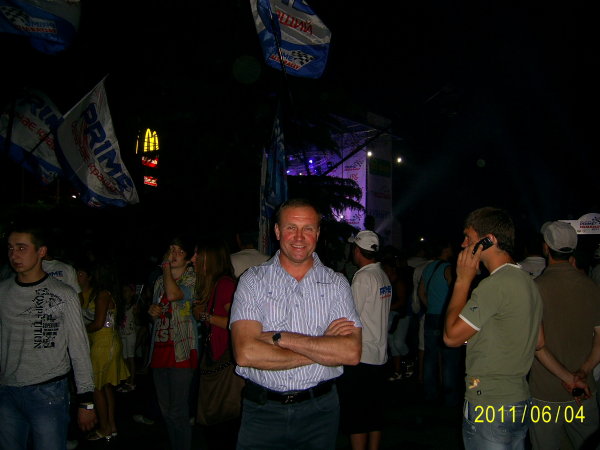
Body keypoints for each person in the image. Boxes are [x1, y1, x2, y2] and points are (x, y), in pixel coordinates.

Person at [230, 198, 362, 450]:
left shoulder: (336, 284)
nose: (299, 237)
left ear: (318, 233)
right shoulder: (253, 281)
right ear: (277, 231)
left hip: (320, 412)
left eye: (308, 228)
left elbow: (351, 353)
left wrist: (282, 338)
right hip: (262, 412)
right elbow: (246, 353)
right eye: (291, 227)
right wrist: (322, 348)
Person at [443, 206, 543, 449]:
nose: (463, 244)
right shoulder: (527, 280)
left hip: (489, 402)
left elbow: (451, 337)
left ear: (488, 240)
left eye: (468, 237)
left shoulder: (495, 285)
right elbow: (539, 341)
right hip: (518, 399)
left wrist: (462, 280)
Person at [0, 221, 97, 450]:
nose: (14, 255)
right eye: (10, 248)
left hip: (48, 393)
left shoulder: (63, 294)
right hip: (7, 390)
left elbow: (79, 349)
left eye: (22, 248)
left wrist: (87, 401)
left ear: (41, 251)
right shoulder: (2, 291)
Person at [528, 221, 600, 449]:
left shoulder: (535, 289)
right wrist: (582, 373)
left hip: (546, 394)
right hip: (583, 391)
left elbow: (537, 345)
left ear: (546, 248)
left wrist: (568, 378)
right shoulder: (592, 288)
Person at [338, 230, 391, 450]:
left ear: (358, 250)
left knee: (357, 414)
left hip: (362, 356)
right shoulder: (382, 275)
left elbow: (351, 318)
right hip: (380, 354)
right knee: (375, 412)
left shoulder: (362, 278)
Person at [147, 235, 198, 450]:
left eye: (179, 251)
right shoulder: (159, 281)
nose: (174, 254)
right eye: (171, 249)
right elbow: (156, 313)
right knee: (166, 410)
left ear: (188, 257)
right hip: (160, 349)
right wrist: (152, 313)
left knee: (178, 410)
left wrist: (166, 267)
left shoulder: (193, 278)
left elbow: (174, 294)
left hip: (182, 350)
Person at [192, 237, 240, 449]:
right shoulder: (214, 285)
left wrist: (205, 316)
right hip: (217, 359)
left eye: (198, 255)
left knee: (222, 424)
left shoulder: (225, 284)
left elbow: (236, 322)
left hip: (224, 363)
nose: (193, 259)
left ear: (210, 258)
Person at [81, 261, 130, 441]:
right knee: (107, 386)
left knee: (97, 387)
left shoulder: (102, 295)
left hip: (103, 344)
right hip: (109, 342)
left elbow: (98, 323)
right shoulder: (109, 293)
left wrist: (80, 330)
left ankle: (104, 428)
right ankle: (111, 425)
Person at [417, 239, 463, 406]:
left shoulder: (428, 268)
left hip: (430, 316)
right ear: (445, 249)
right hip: (445, 318)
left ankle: (429, 393)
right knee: (449, 358)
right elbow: (455, 293)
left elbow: (421, 292)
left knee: (430, 357)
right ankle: (450, 397)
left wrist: (430, 305)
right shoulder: (447, 269)